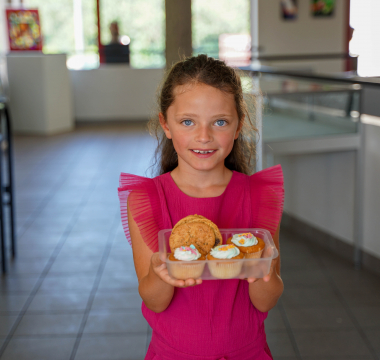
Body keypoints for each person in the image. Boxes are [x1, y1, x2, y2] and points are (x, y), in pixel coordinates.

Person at [118, 54, 284, 359]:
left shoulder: (260, 196)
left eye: (219, 122)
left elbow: (266, 300)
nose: (204, 136)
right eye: (187, 121)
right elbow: (155, 301)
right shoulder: (146, 200)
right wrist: (161, 275)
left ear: (238, 127)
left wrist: (264, 274)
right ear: (165, 124)